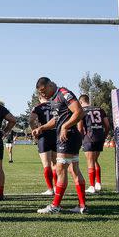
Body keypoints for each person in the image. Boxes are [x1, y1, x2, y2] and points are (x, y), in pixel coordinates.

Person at [32, 77, 88, 214]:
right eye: (41, 92)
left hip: (67, 136)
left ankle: (55, 206)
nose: (43, 94)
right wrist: (42, 128)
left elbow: (79, 111)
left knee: (61, 169)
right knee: (74, 170)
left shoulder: (64, 93)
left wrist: (65, 126)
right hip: (70, 136)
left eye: (44, 91)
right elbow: (57, 119)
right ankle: (82, 206)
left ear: (51, 85)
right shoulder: (55, 98)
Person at [77, 95, 111, 194]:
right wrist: (104, 136)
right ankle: (98, 183)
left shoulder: (82, 111)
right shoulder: (100, 109)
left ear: (81, 102)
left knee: (90, 161)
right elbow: (107, 126)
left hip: (89, 137)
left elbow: (79, 128)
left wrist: (81, 139)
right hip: (100, 137)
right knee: (95, 160)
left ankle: (92, 186)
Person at [30, 94, 57, 195]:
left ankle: (50, 189)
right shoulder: (55, 105)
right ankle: (57, 187)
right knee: (55, 164)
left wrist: (34, 131)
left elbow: (31, 120)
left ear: (39, 98)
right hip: (56, 134)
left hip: (44, 136)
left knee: (46, 165)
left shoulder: (38, 107)